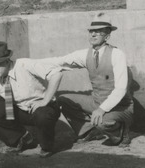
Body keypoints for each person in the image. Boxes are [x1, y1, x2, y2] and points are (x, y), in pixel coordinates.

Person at [0, 41, 63, 157]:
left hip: (45, 108)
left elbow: (56, 74)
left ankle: (46, 147)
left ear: (7, 61)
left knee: (42, 116)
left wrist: (44, 101)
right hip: (24, 110)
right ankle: (24, 139)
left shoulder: (24, 65)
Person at [49, 13, 135, 147]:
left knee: (101, 121)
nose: (93, 35)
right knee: (63, 100)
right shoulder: (85, 54)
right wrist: (30, 65)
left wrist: (101, 109)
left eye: (98, 32)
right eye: (91, 31)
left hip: (120, 108)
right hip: (96, 101)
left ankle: (121, 133)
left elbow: (121, 89)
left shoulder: (117, 54)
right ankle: (89, 131)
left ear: (107, 36)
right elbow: (60, 61)